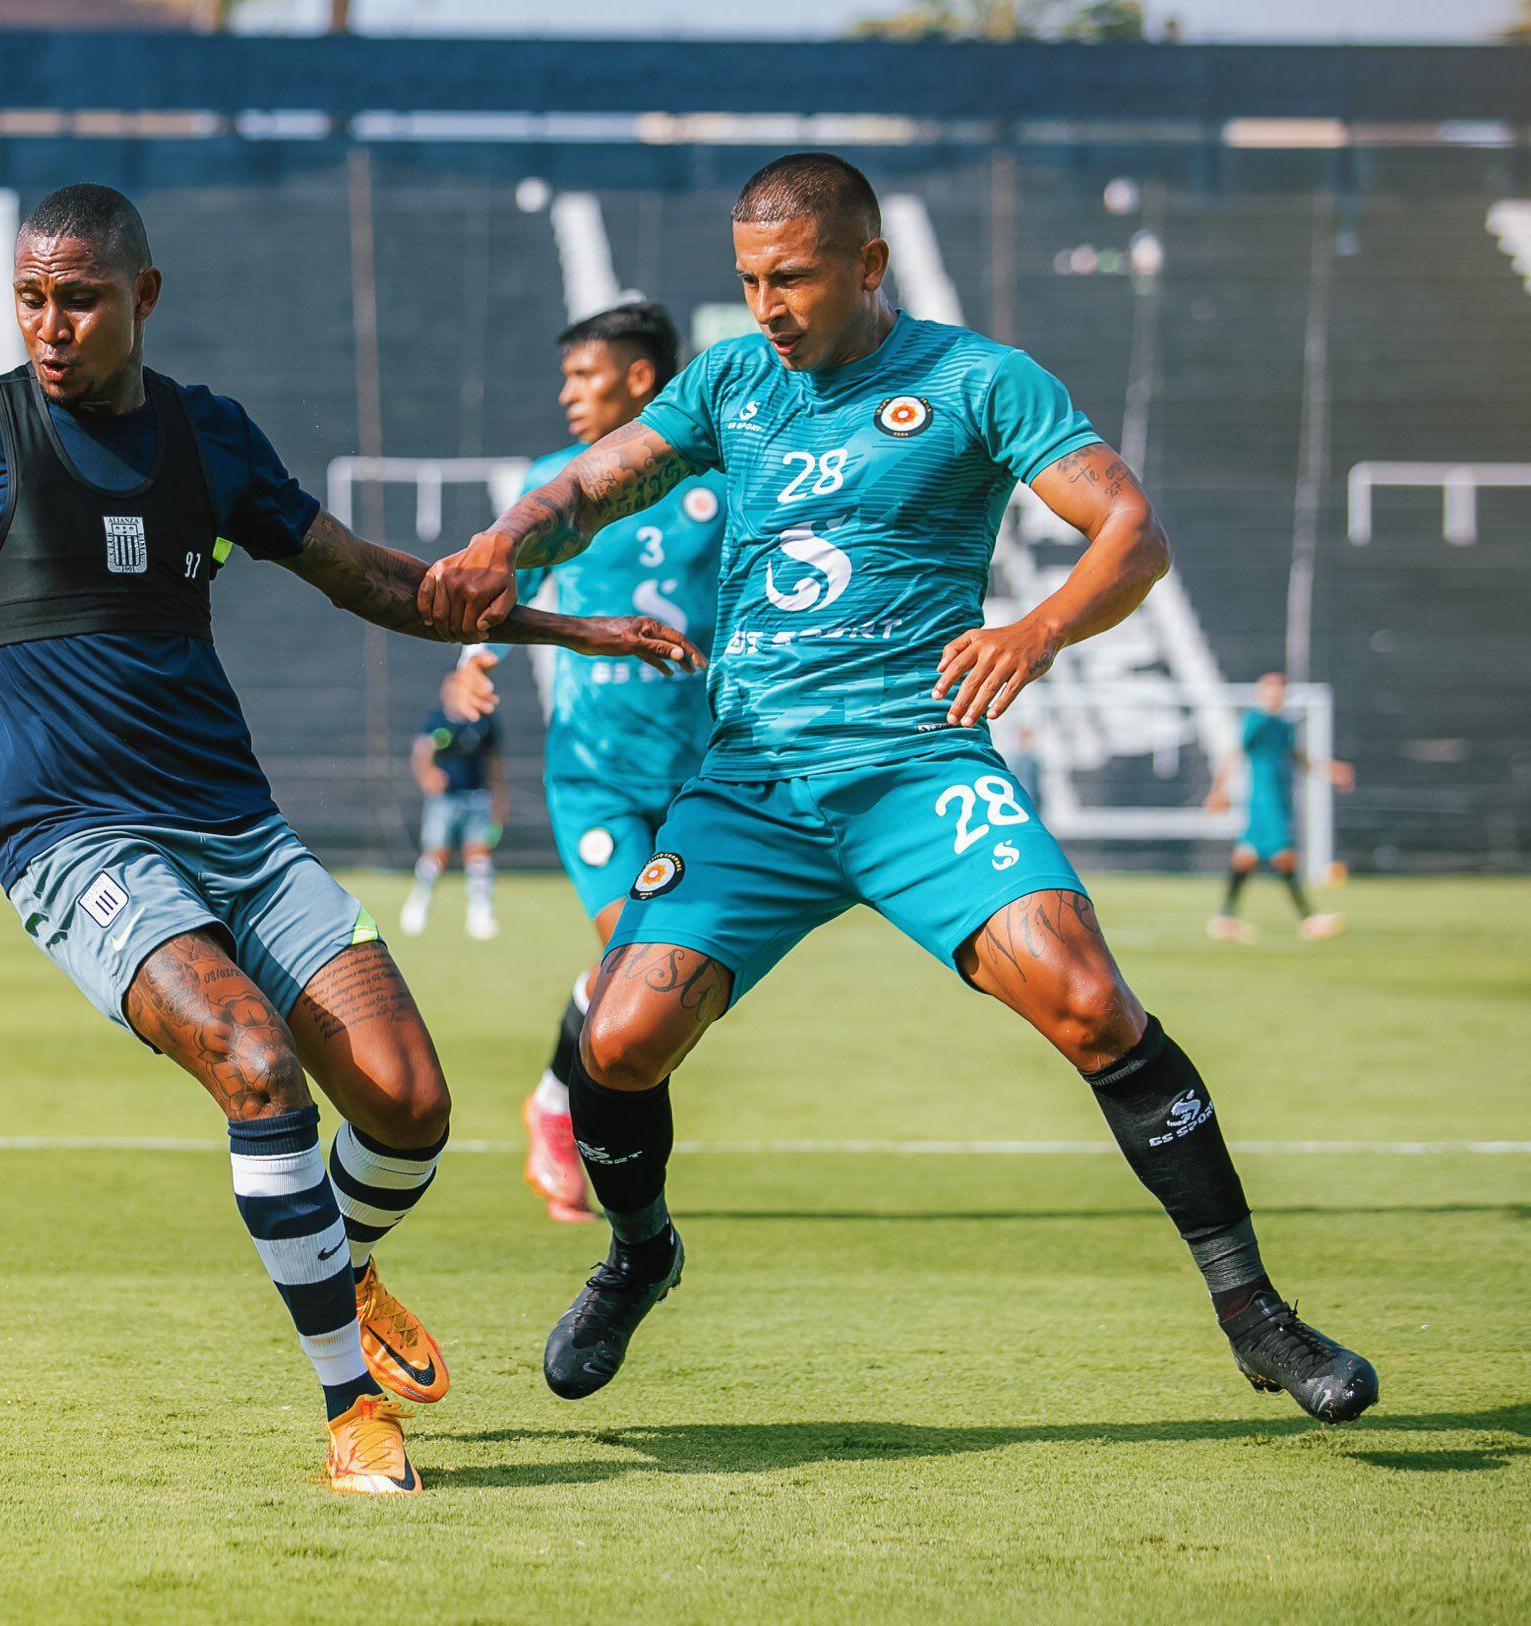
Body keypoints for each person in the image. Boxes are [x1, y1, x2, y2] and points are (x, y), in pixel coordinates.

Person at [0, 184, 701, 1495]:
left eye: (81, 298)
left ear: (144, 298)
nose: (51, 326)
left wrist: (561, 629)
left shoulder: (208, 438)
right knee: (254, 1061)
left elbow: (372, 581)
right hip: (78, 844)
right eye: (32, 298)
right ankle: (351, 1408)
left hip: (240, 829)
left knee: (410, 1105)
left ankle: (344, 1257)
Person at [419, 153, 1377, 1426]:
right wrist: (502, 543)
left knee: (1089, 1002)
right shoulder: (730, 382)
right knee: (616, 1038)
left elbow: (1130, 533)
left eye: (792, 278)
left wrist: (1031, 636)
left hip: (917, 770)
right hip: (752, 782)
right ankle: (639, 1255)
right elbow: (594, 482)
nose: (765, 306)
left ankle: (1255, 1315)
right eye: (748, 280)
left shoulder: (978, 381)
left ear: (868, 266)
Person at [441, 302, 724, 1223]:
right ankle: (566, 1119)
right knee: (630, 953)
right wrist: (472, 664)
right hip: (594, 774)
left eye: (583, 375)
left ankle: (556, 1099)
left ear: (641, 380)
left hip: (701, 779)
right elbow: (499, 588)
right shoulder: (549, 483)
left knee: (666, 986)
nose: (567, 394)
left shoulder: (722, 483)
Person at [1205, 672, 1354, 942]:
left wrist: (1330, 770)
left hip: (1279, 797)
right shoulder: (1256, 720)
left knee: (1246, 857)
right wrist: (1219, 790)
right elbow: (1234, 753)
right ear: (1261, 693)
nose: (1276, 695)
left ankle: (1224, 918)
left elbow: (1298, 758)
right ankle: (1308, 917)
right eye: (1271, 690)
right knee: (1283, 854)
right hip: (1263, 800)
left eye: (1280, 690)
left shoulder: (1284, 725)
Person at [401, 675, 508, 940]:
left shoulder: (483, 721)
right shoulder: (438, 720)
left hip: (477, 796)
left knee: (479, 856)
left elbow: (493, 761)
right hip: (446, 800)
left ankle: (479, 913)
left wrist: (499, 796)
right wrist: (428, 776)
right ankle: (420, 902)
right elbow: (421, 753)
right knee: (436, 856)